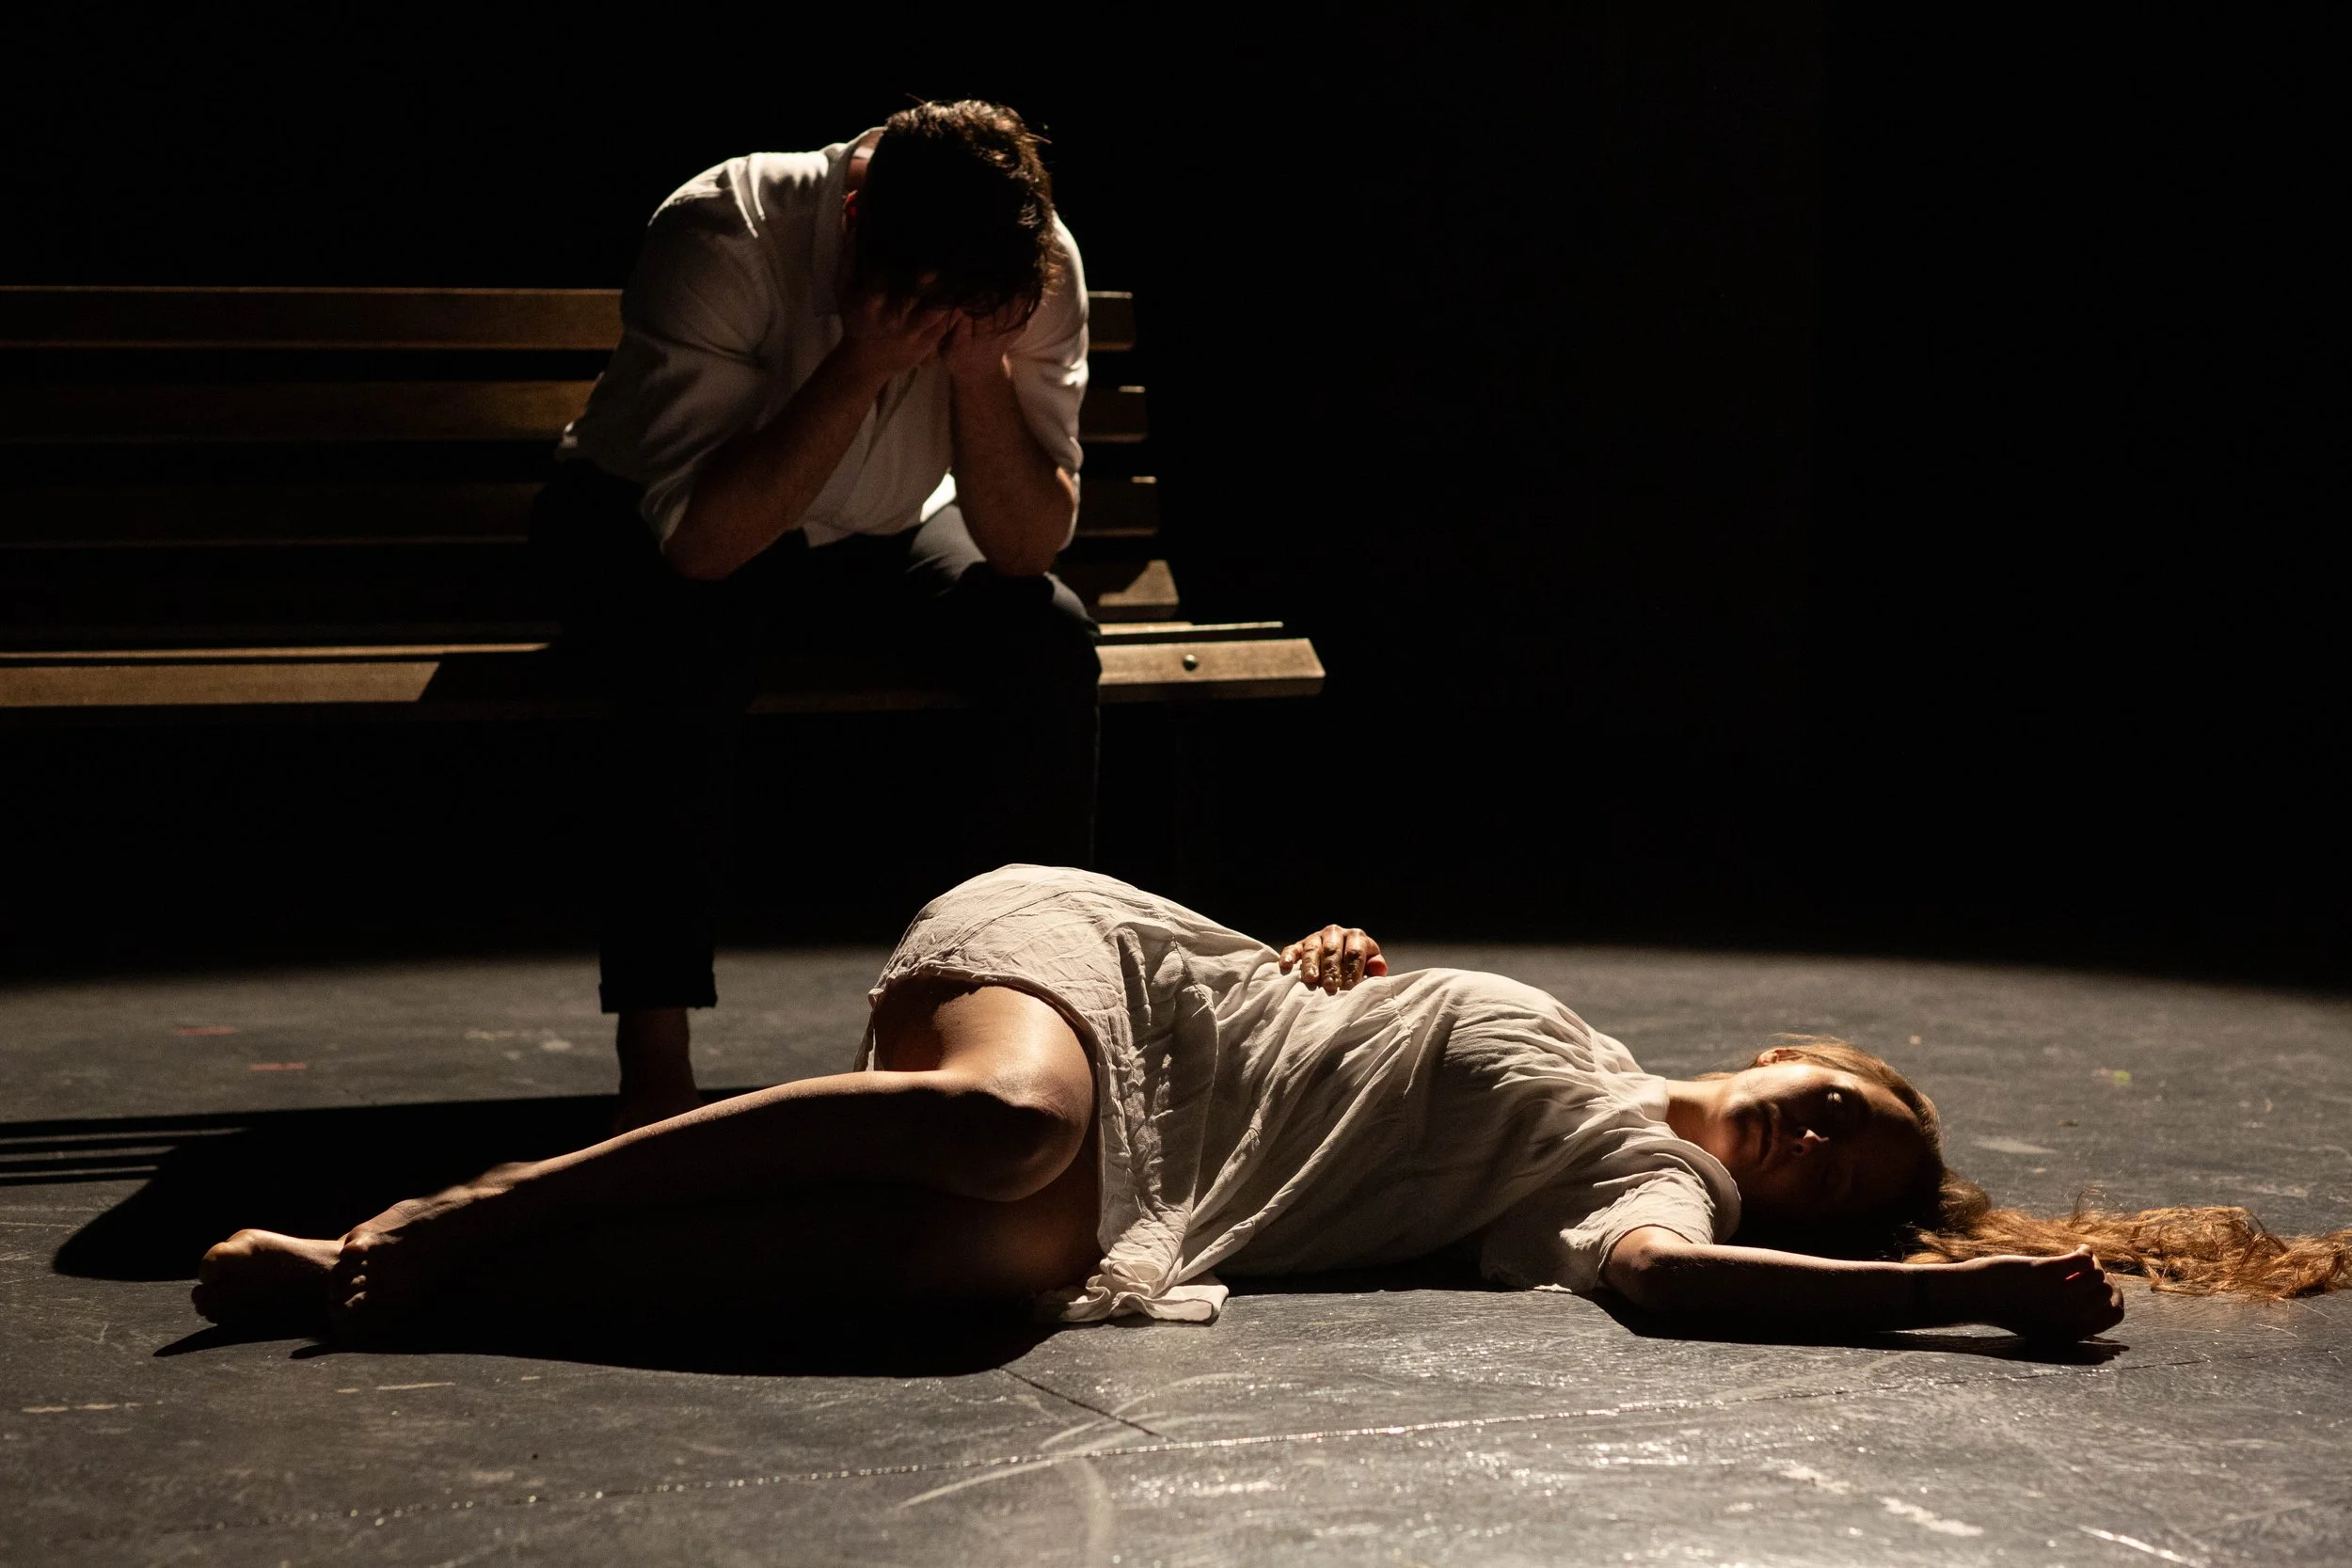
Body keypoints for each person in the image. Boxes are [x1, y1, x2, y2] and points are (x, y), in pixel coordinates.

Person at [192, 867, 2350, 1340]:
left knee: (954, 1278)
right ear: (1798, 1044)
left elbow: (1666, 1285)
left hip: (1147, 1176)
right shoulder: (1595, 1052)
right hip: (1103, 978)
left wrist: (1948, 1293)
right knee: (1004, 1132)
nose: (1806, 1137)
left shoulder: (1637, 1178)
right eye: (1828, 1101)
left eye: (1838, 1171)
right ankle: (448, 1214)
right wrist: (1307, 949)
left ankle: (407, 1297)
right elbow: (1273, 1001)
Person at [531, 101, 1099, 1132]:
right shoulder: (728, 228)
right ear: (853, 221)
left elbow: (1024, 545)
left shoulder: (1033, 266)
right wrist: (864, 360)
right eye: (928, 302)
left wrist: (978, 369)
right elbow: (703, 544)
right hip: (658, 520)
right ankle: (655, 1056)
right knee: (685, 641)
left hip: (871, 527)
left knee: (1043, 636)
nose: (946, 321)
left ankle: (1036, 1010)